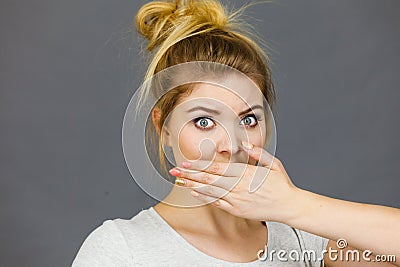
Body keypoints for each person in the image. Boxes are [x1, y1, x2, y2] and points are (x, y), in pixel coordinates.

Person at [72, 0, 400, 266]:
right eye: (204, 121)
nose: (232, 145)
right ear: (164, 128)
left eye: (248, 120)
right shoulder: (121, 250)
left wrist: (294, 205)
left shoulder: (300, 238)